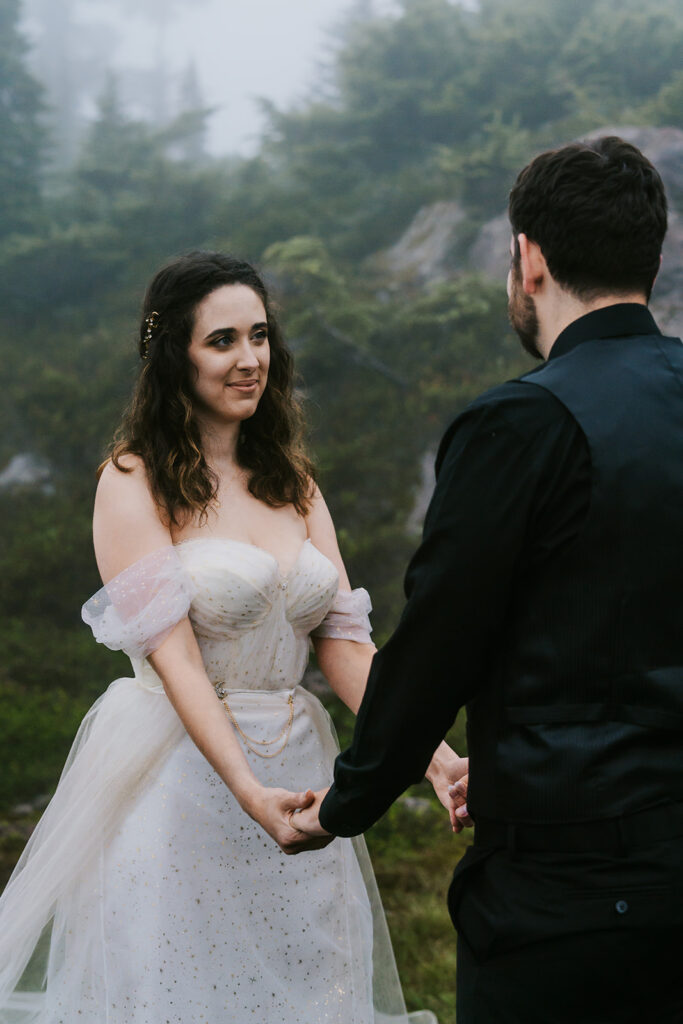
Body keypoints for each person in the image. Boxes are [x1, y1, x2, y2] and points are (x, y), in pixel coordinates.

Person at [0, 252, 459, 1023]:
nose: (249, 360)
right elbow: (173, 658)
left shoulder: (292, 480)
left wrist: (434, 758)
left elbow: (344, 643)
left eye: (259, 336)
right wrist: (248, 792)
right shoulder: (132, 479)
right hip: (178, 783)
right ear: (173, 353)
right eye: (222, 341)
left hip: (305, 784)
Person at [292, 136, 683, 1022]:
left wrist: (345, 804)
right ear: (650, 259)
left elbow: (439, 642)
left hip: (568, 895)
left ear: (529, 259)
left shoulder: (520, 422)